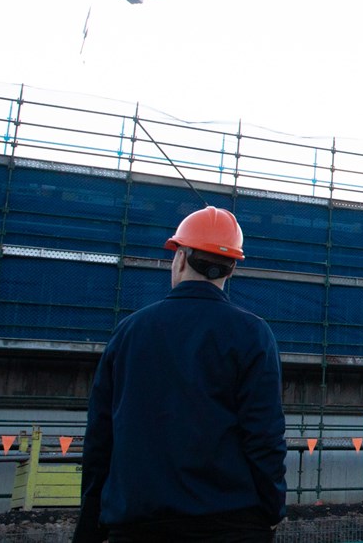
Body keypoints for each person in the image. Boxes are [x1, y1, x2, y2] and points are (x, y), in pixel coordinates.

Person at [74, 206, 286, 543]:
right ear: (230, 269)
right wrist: (273, 509)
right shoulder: (252, 334)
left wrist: (90, 523)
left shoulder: (130, 332)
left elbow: (101, 438)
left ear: (181, 258)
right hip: (231, 525)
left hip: (137, 526)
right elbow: (264, 438)